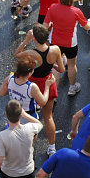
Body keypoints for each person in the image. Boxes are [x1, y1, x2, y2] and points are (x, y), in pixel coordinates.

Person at [14, 25, 64, 153]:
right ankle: (52, 147)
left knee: (29, 114)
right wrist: (51, 65)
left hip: (33, 85)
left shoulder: (31, 53)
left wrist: (26, 39)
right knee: (48, 117)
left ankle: (27, 144)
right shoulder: (55, 49)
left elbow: (17, 54)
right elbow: (62, 69)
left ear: (35, 38)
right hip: (48, 82)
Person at [44, 0, 90, 97]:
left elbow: (45, 25)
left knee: (56, 67)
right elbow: (86, 27)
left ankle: (53, 92)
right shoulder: (76, 11)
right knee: (72, 65)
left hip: (55, 42)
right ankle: (72, 87)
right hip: (71, 43)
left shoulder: (53, 8)